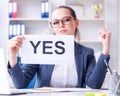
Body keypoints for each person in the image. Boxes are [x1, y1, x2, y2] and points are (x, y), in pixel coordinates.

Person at [8, 5, 111, 89]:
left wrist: (105, 49)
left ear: (76, 22)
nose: (61, 25)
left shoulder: (87, 53)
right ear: (52, 26)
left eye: (66, 19)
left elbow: (94, 84)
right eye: (56, 22)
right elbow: (20, 84)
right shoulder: (40, 47)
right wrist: (12, 56)